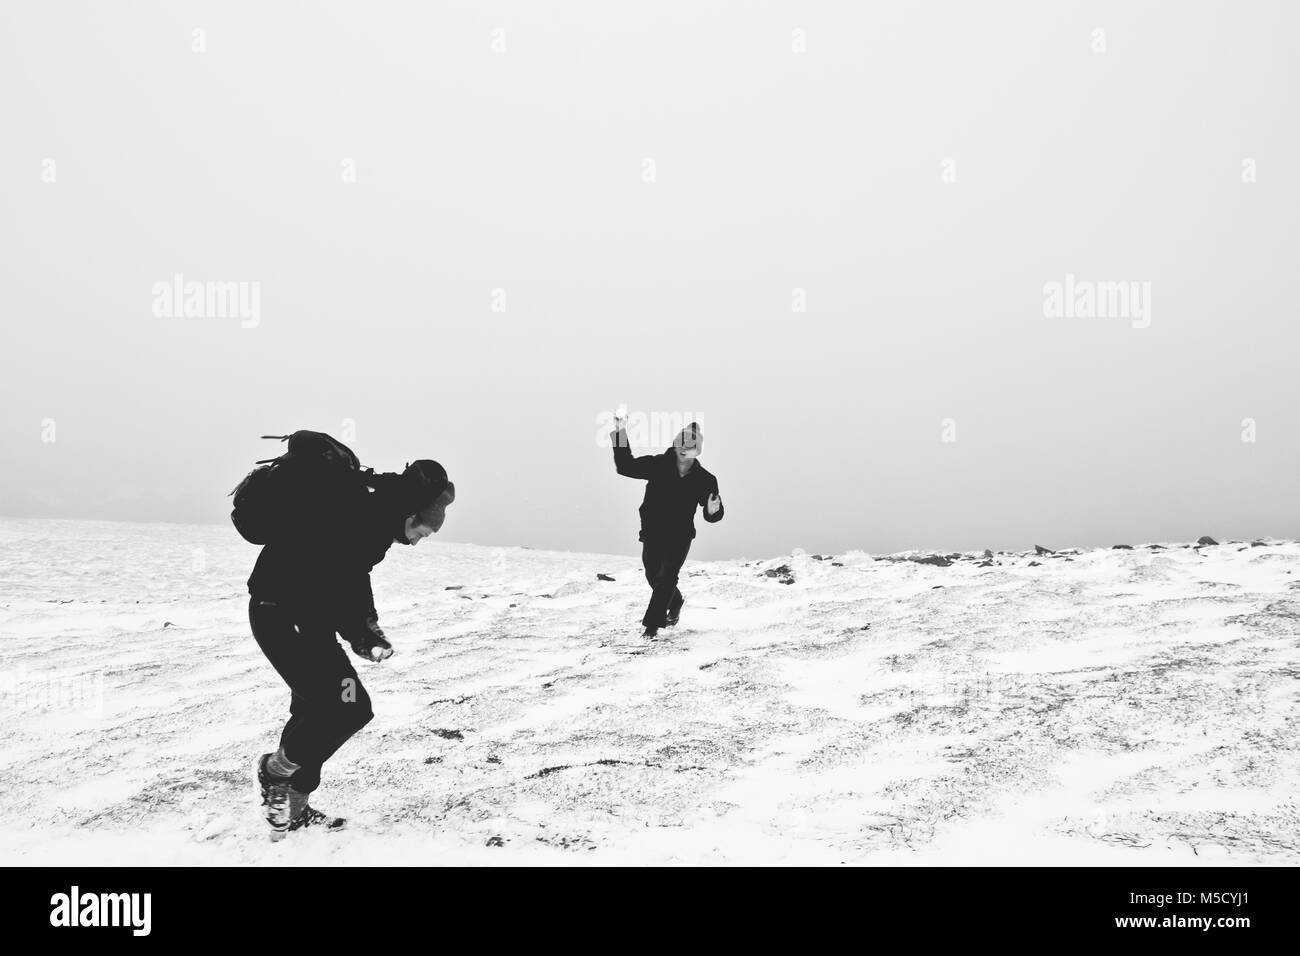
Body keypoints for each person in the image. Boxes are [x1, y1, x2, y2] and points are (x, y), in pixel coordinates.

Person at [246, 459, 455, 838]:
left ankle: (295, 807)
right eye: (423, 531)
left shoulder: (373, 519)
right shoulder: (362, 517)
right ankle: (274, 772)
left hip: (305, 622)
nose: (419, 540)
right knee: (348, 707)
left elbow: (350, 577)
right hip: (281, 616)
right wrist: (361, 631)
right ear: (410, 515)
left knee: (316, 708)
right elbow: (336, 577)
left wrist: (366, 629)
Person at [609, 411, 724, 637]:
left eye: (690, 445)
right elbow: (625, 466)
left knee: (668, 576)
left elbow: (713, 514)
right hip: (653, 531)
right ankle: (677, 600)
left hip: (680, 536)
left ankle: (651, 627)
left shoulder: (706, 479)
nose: (684, 448)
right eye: (680, 443)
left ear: (697, 449)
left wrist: (713, 511)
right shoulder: (658, 465)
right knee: (653, 574)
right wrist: (620, 433)